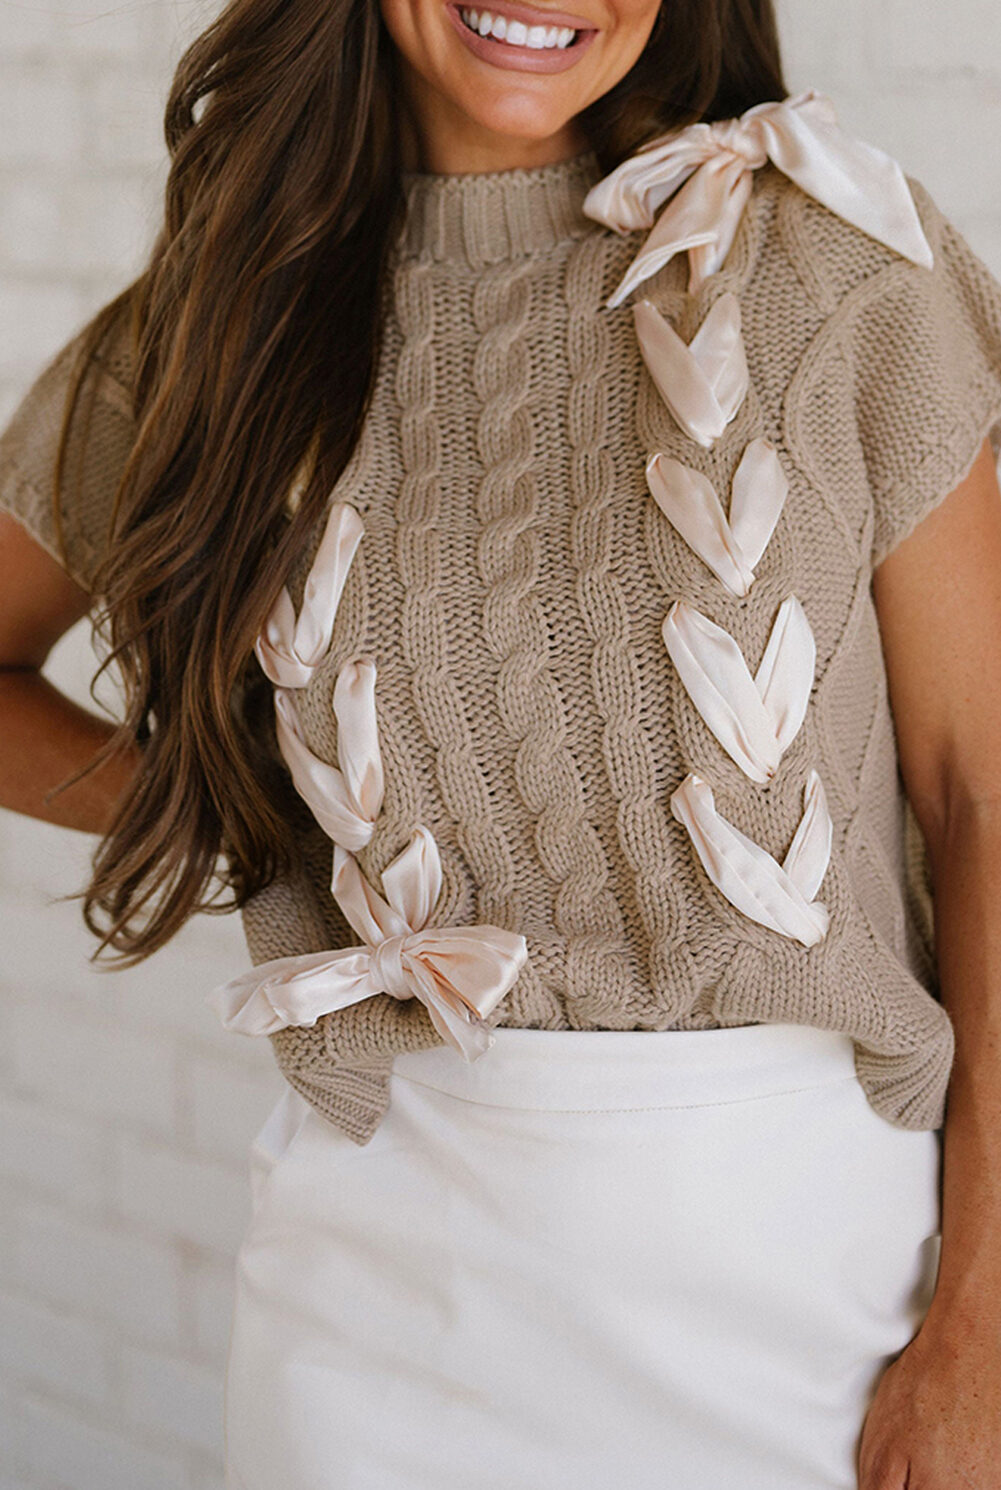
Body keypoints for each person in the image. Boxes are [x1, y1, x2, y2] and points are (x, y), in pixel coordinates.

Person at [2, 0, 1001, 1484]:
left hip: (808, 1281)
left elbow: (976, 795)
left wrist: (979, 1340)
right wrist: (244, 806)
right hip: (383, 1281)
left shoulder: (833, 259)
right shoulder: (232, 315)